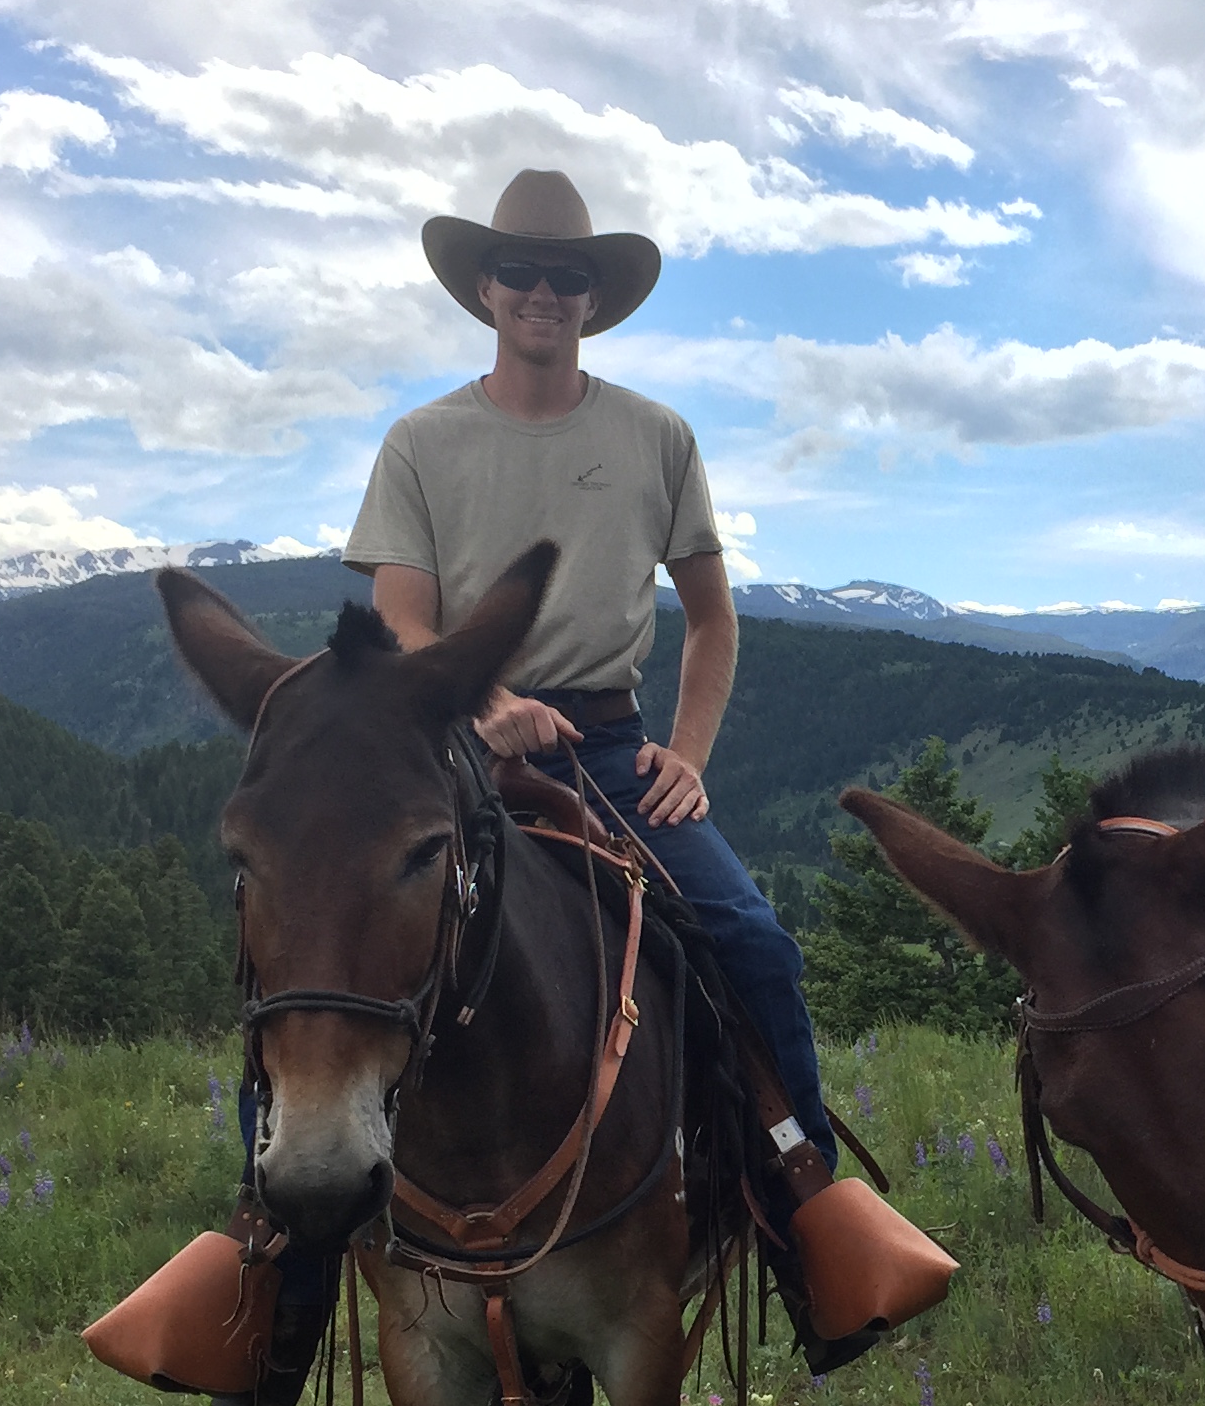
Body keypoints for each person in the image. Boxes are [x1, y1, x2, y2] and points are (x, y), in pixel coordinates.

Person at [347, 167, 838, 1175]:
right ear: (484, 286)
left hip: (612, 753)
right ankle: (270, 1260)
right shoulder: (421, 442)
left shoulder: (656, 437)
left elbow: (711, 616)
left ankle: (809, 1210)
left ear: (593, 298)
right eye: (519, 269)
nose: (543, 292)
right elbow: (400, 613)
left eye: (566, 275)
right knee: (317, 950)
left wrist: (688, 756)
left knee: (753, 945)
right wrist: (484, 701)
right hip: (451, 745)